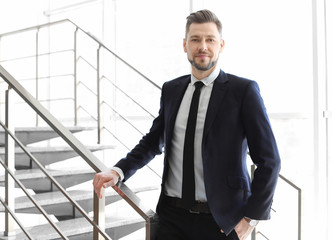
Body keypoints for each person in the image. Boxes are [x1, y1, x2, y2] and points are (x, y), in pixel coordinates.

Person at [93, 9, 281, 240]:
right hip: (172, 217)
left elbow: (269, 160)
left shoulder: (243, 91)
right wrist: (118, 170)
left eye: (210, 39)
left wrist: (250, 219)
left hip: (222, 221)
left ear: (221, 45)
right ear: (185, 45)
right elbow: (153, 141)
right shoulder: (172, 90)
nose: (203, 46)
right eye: (195, 39)